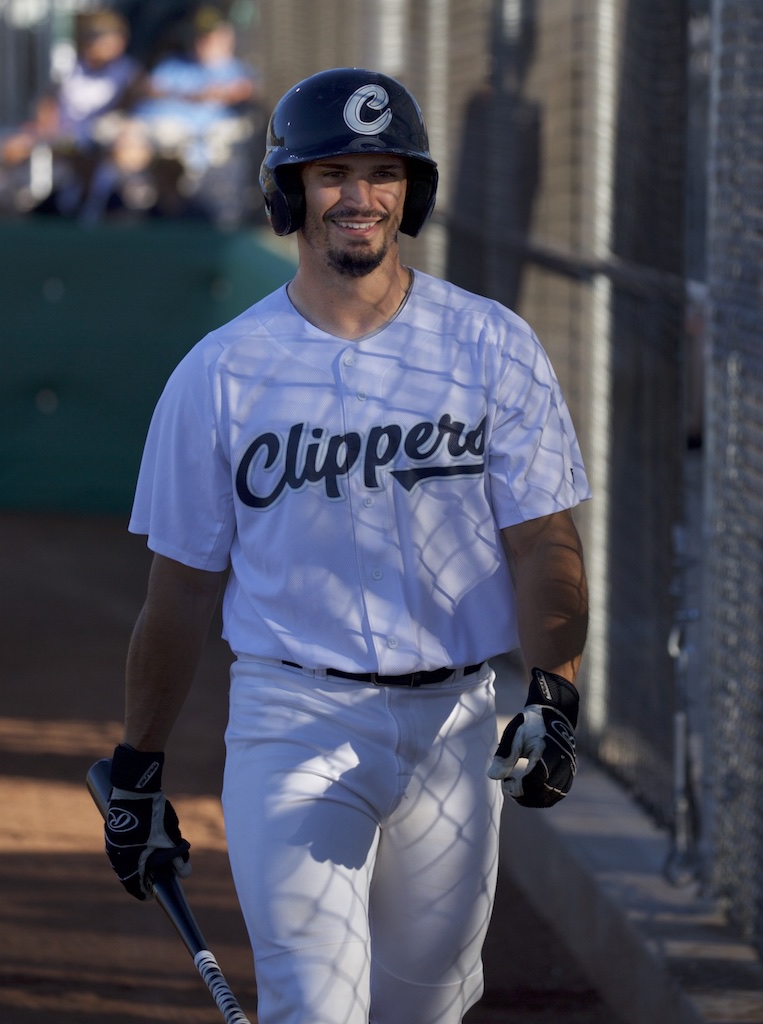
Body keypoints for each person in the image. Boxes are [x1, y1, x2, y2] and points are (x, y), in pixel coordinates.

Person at [102, 68, 590, 1024]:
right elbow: (182, 591)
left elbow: (543, 541)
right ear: (288, 192)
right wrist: (139, 764)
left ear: (412, 193)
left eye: (383, 173)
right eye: (333, 173)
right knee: (314, 1004)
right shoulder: (221, 373)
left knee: (424, 1008)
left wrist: (554, 693)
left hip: (454, 720)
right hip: (294, 717)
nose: (360, 197)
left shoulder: (489, 345)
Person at [0, 9, 139, 216]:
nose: (96, 43)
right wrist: (46, 131)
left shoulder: (128, 72)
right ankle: (11, 210)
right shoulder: (68, 68)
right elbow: (48, 106)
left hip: (99, 139)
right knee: (13, 149)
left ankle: (95, 206)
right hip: (64, 138)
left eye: (101, 36)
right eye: (91, 36)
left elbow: (127, 110)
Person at [128, 5, 259, 225]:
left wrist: (219, 93)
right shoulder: (173, 64)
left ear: (226, 37)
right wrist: (195, 94)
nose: (203, 43)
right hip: (169, 141)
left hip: (213, 145)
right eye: (199, 37)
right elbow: (145, 91)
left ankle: (225, 232)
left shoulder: (237, 70)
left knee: (227, 161)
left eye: (210, 36)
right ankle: (132, 219)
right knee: (129, 139)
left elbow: (247, 92)